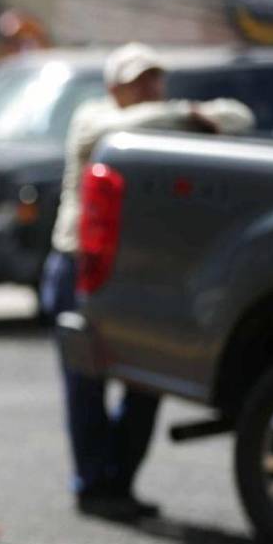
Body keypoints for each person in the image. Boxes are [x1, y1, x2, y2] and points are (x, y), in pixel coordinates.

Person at [41, 42, 254, 518]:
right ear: (114, 87)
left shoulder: (169, 125)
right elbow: (119, 129)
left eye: (155, 78)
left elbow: (240, 117)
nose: (150, 89)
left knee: (146, 381)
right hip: (79, 265)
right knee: (86, 382)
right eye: (139, 80)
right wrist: (187, 115)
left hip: (139, 271)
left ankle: (118, 481)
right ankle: (94, 486)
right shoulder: (94, 119)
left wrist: (188, 115)